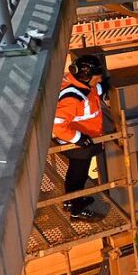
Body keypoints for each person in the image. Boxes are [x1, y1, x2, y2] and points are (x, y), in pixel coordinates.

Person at [52, 54, 106, 219]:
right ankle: (76, 209)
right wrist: (78, 138)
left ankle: (71, 201)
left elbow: (93, 93)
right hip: (77, 144)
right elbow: (57, 126)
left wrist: (104, 88)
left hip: (81, 141)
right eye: (96, 78)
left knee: (75, 173)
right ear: (86, 77)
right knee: (78, 175)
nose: (99, 81)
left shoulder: (78, 85)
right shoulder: (73, 98)